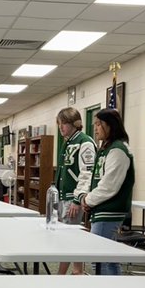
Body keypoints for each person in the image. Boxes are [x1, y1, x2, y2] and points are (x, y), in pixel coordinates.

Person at [81, 109, 135, 277]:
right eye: (95, 124)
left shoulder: (118, 150)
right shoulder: (105, 149)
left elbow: (109, 185)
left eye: (99, 124)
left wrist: (88, 200)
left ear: (110, 125)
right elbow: (97, 179)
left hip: (109, 212)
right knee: (108, 258)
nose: (95, 129)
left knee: (99, 260)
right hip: (102, 210)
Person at [54, 106, 97, 275]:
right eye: (59, 124)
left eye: (63, 123)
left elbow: (87, 173)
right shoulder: (69, 142)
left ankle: (65, 273)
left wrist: (78, 199)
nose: (60, 127)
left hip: (73, 198)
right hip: (64, 197)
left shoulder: (84, 142)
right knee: (69, 237)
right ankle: (76, 270)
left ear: (74, 123)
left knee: (70, 238)